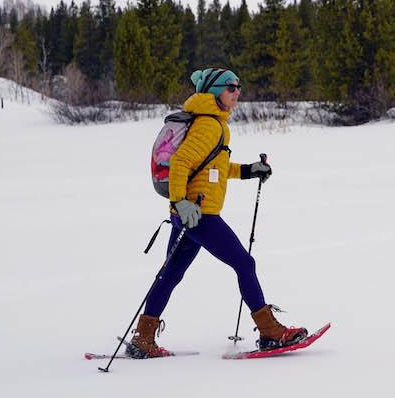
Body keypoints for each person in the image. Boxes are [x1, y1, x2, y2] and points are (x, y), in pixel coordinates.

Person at [129, 68, 307, 358]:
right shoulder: (209, 124)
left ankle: (143, 339)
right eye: (231, 87)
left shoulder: (213, 123)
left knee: (171, 274)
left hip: (189, 214)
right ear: (214, 92)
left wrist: (249, 170)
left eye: (238, 86)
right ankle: (270, 332)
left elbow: (215, 167)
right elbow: (182, 164)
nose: (237, 92)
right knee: (244, 263)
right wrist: (181, 202)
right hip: (199, 214)